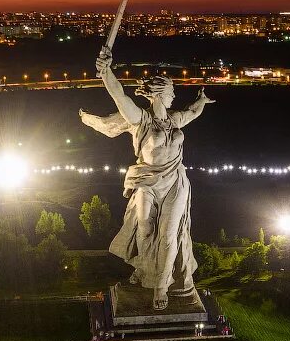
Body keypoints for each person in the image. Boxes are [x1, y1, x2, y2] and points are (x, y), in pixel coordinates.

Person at [79, 45, 215, 310]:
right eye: (172, 91)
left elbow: (193, 111)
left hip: (175, 183)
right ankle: (143, 269)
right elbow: (119, 97)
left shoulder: (174, 121)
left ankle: (160, 287)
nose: (175, 95)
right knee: (144, 230)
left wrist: (201, 100)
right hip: (146, 182)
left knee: (168, 236)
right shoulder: (140, 120)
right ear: (161, 94)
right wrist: (106, 71)